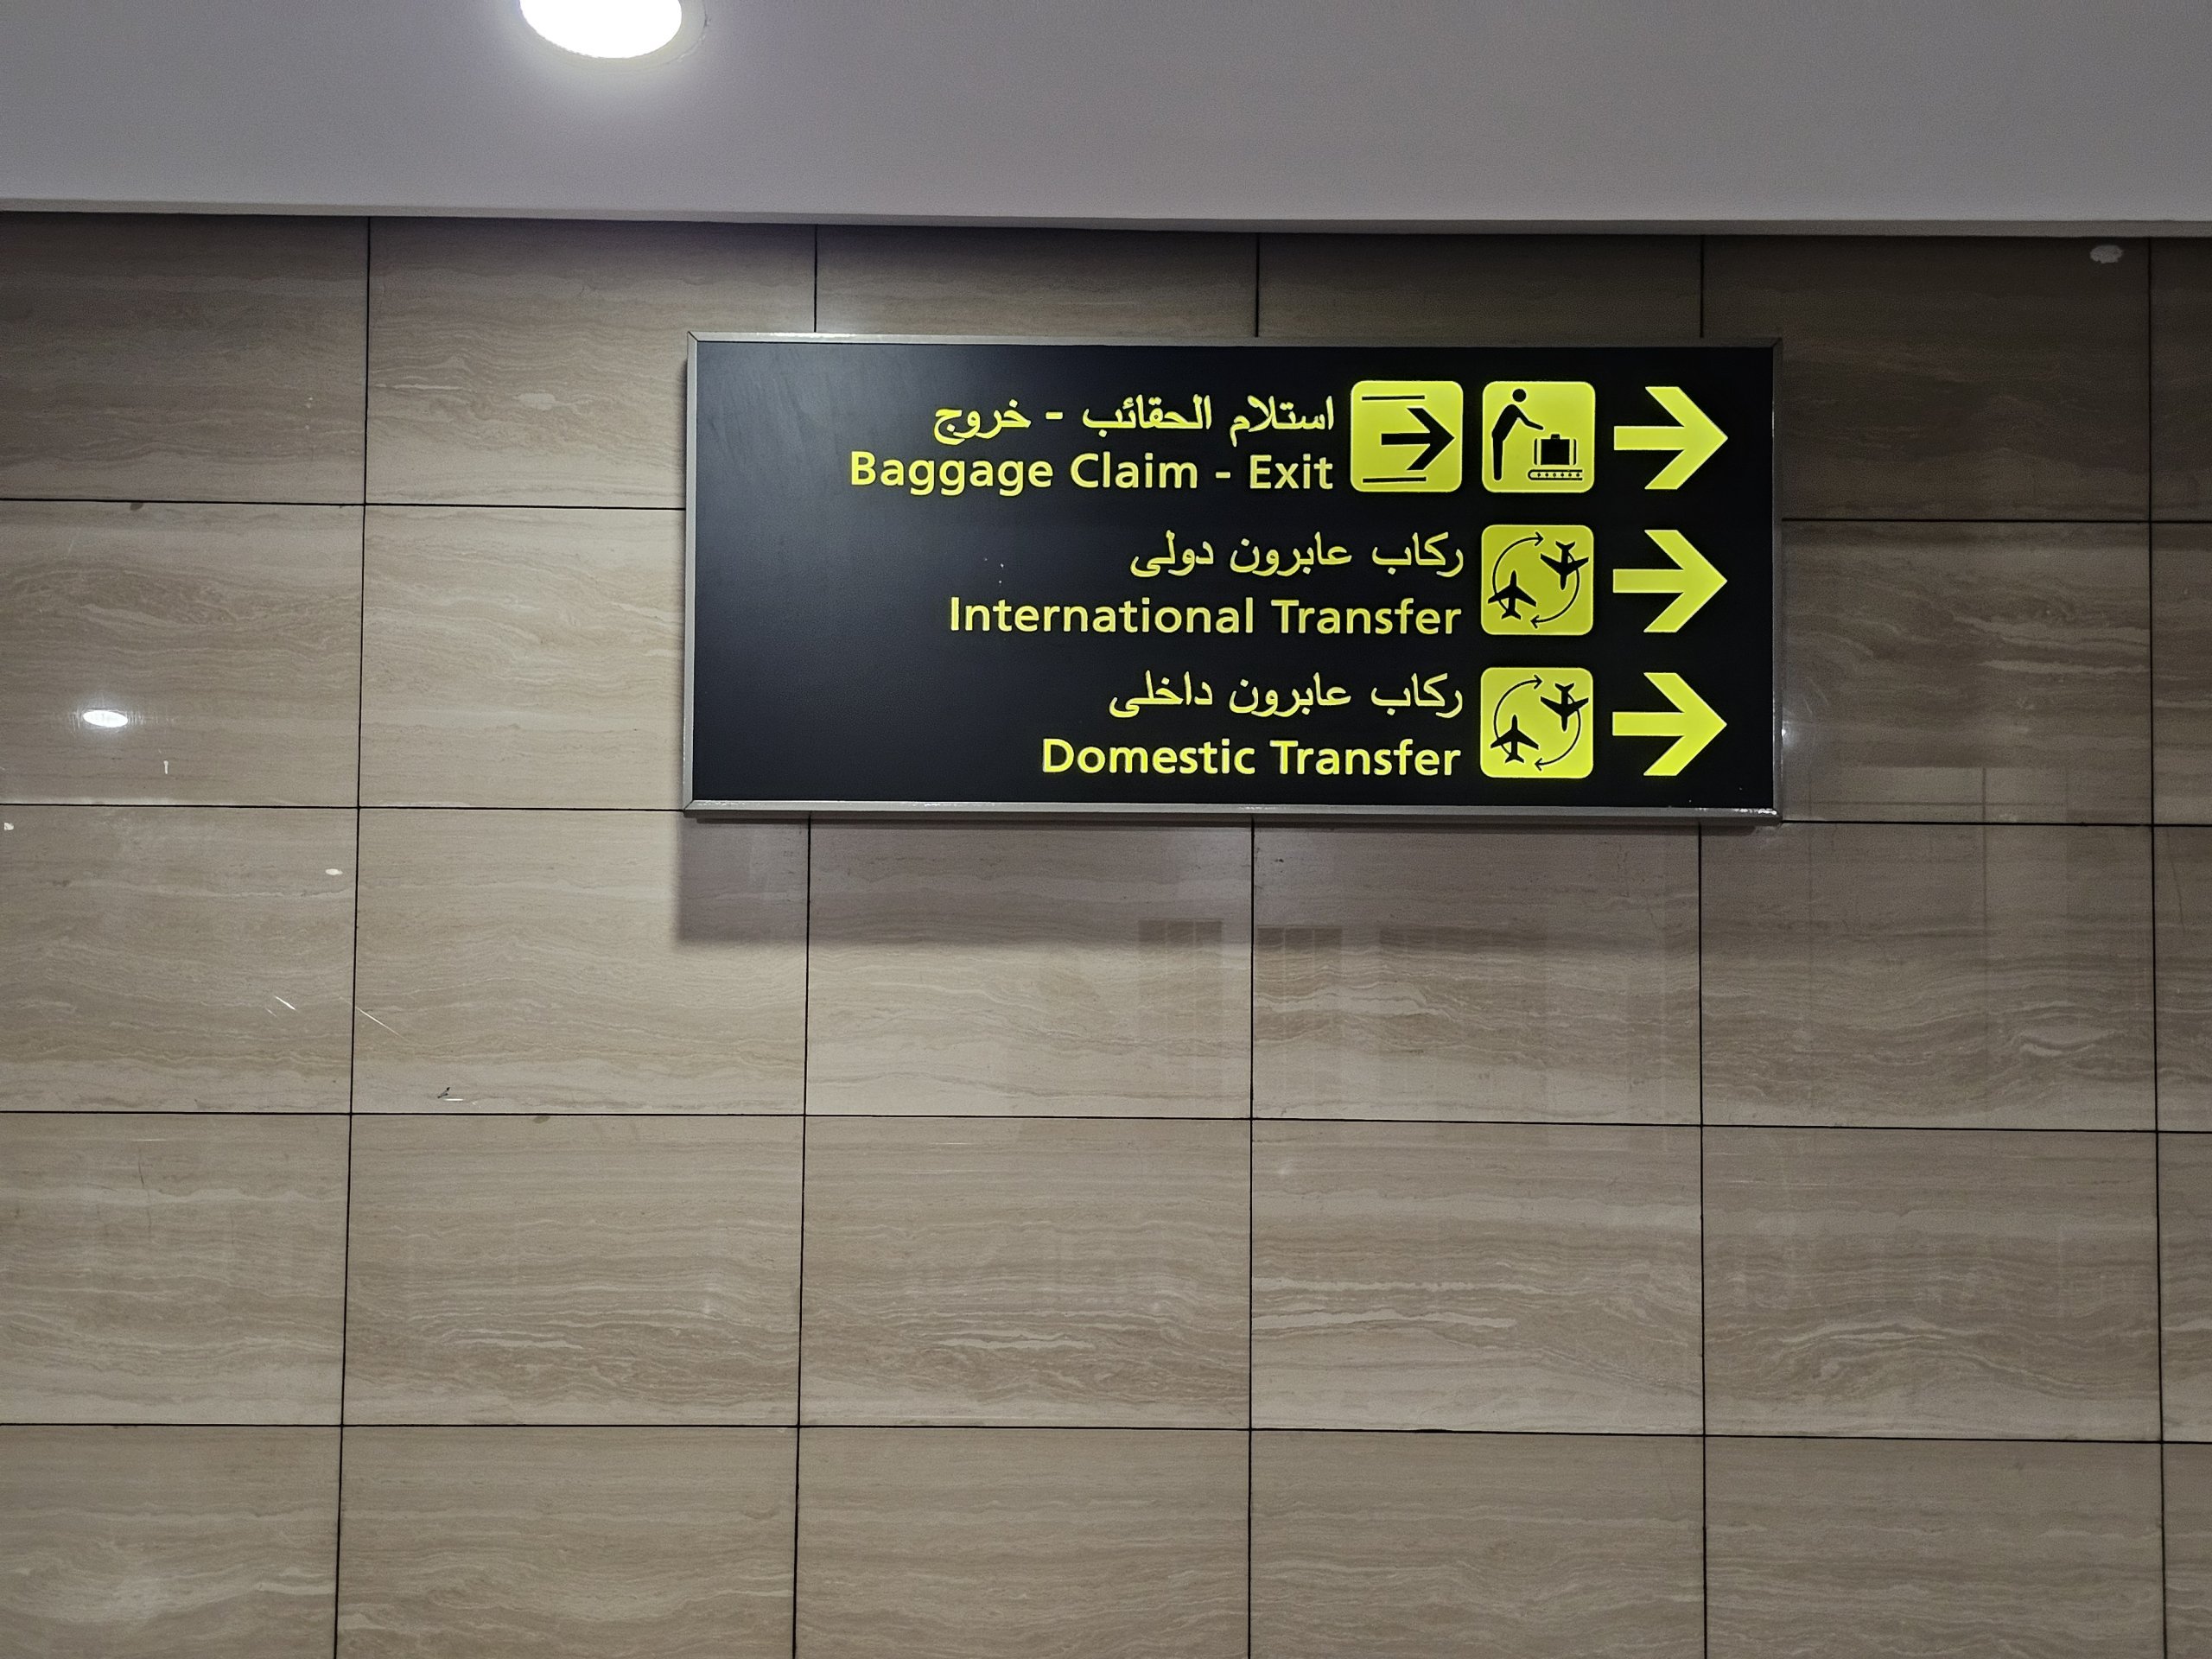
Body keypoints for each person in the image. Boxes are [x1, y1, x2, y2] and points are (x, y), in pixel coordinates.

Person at [1490, 387, 1543, 479]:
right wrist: (1540, 427)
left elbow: (1527, 422)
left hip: (1498, 436)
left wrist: (1539, 427)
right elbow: (1527, 422)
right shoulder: (1512, 409)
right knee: (1497, 456)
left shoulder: (1512, 408)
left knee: (1497, 456)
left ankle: (1497, 477)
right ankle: (1497, 477)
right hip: (1498, 436)